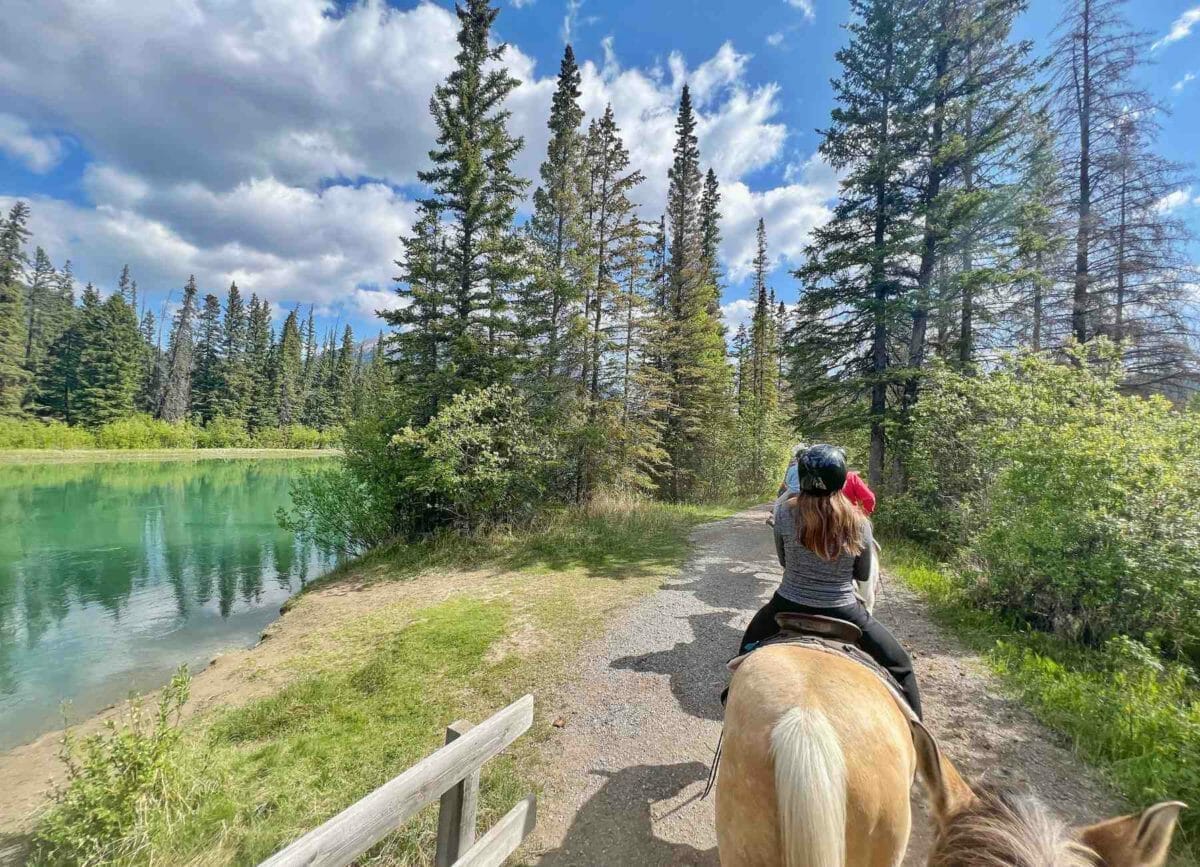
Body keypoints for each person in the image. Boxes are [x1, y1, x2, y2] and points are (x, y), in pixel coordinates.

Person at [740, 444, 921, 718]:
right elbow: (861, 575)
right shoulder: (859, 523)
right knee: (901, 665)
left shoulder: (784, 513)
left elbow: (784, 562)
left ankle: (731, 700)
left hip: (787, 603)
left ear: (801, 477)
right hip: (844, 609)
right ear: (841, 478)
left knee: (746, 649)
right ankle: (919, 737)